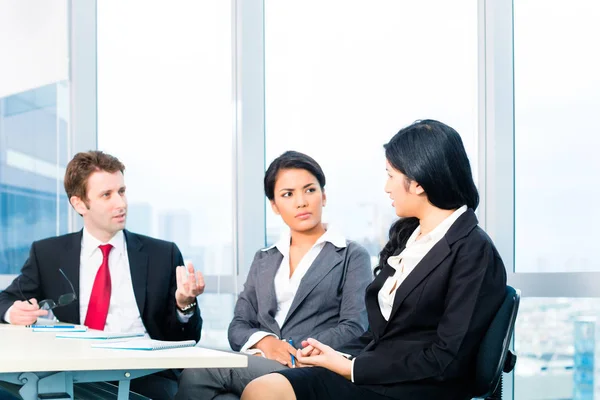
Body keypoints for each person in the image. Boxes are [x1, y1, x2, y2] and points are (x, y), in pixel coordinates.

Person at [241, 120, 508, 400]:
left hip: (415, 387)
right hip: (377, 374)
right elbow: (382, 334)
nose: (386, 188)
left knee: (265, 392)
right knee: (264, 387)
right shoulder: (410, 237)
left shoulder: (473, 249)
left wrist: (354, 368)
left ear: (417, 181)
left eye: (391, 175)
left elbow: (448, 359)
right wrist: (338, 355)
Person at [0, 150, 204, 399]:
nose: (121, 203)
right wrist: (14, 312)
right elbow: (4, 301)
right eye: (106, 195)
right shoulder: (48, 254)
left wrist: (185, 306)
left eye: (121, 191)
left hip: (144, 375)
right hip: (73, 372)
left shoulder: (163, 254)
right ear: (79, 204)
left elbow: (185, 338)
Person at [175, 151, 372, 399]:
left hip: (309, 366)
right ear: (274, 206)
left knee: (199, 371)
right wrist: (267, 343)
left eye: (309, 190)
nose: (301, 202)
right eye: (288, 194)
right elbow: (238, 326)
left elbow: (355, 326)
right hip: (264, 361)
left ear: (324, 196)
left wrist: (291, 349)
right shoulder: (265, 258)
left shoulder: (351, 255)